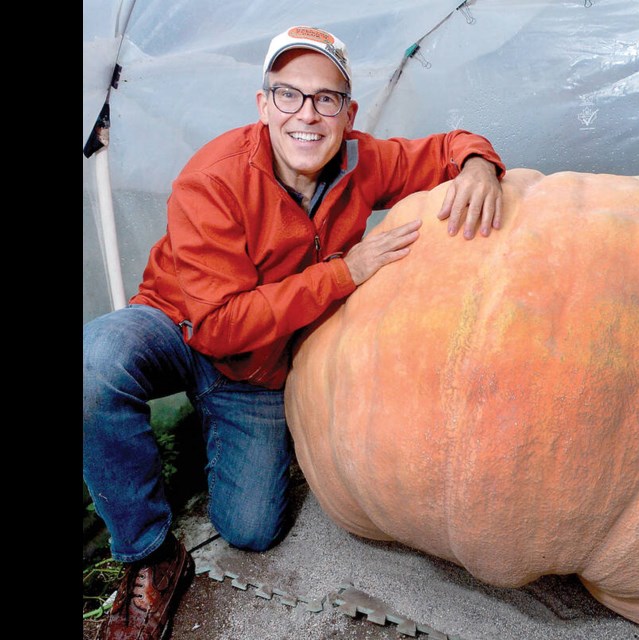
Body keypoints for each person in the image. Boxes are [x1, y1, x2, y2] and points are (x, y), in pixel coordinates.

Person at [83, 25, 505, 640]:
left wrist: (478, 165)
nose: (307, 115)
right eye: (288, 95)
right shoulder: (213, 178)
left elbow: (447, 145)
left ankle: (218, 423)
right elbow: (221, 322)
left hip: (262, 368)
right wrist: (345, 272)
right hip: (180, 325)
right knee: (94, 364)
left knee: (251, 530)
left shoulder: (363, 161)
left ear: (347, 112)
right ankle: (148, 553)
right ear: (263, 105)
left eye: (325, 98)